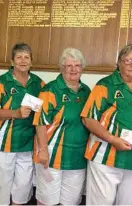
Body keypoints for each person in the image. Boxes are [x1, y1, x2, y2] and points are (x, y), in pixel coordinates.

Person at [81, 44, 132, 205]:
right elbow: (88, 118)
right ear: (118, 63)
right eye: (128, 60)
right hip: (105, 159)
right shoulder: (105, 85)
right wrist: (113, 139)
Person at [0, 43, 45, 205]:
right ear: (12, 62)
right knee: (0, 188)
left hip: (26, 144)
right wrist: (15, 113)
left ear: (31, 61)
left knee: (23, 186)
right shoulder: (1, 82)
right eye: (19, 57)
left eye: (26, 57)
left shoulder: (39, 84)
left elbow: (42, 113)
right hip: (2, 143)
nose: (23, 61)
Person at [33, 48, 90, 205]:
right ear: (62, 68)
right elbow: (40, 122)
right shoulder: (49, 90)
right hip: (51, 156)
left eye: (77, 65)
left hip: (77, 157)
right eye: (69, 66)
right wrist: (43, 150)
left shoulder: (87, 91)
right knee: (47, 200)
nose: (73, 69)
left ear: (82, 68)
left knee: (71, 202)